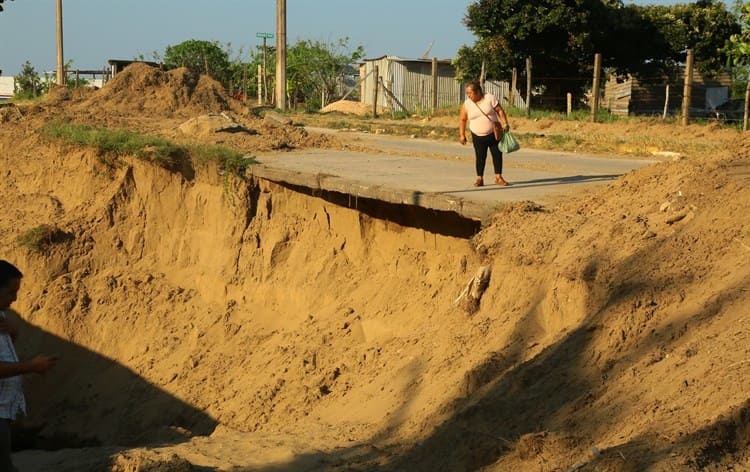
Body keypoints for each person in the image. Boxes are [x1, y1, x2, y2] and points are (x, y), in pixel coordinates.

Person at [0, 260, 57, 472]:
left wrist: (13, 334)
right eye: (9, 292)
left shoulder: (2, 318)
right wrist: (31, 367)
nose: (14, 298)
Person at [459, 80, 511, 187]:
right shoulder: (467, 104)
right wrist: (462, 134)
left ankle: (498, 177)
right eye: (467, 93)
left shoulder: (489, 98)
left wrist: (505, 123)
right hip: (477, 135)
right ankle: (479, 178)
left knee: (497, 155)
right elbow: (462, 119)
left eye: (470, 93)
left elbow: (500, 111)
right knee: (480, 156)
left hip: (493, 133)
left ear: (478, 91)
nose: (468, 95)